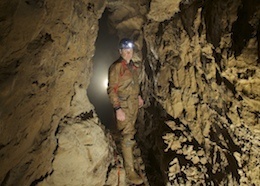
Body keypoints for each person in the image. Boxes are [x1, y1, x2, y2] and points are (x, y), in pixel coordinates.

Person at [107, 38, 144, 185]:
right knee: (127, 136)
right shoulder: (116, 67)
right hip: (124, 106)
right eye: (126, 51)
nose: (129, 54)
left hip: (133, 104)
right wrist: (117, 108)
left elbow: (134, 84)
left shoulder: (133, 67)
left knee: (131, 133)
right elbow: (111, 89)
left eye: (131, 51)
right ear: (120, 51)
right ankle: (130, 172)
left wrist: (139, 96)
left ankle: (131, 162)